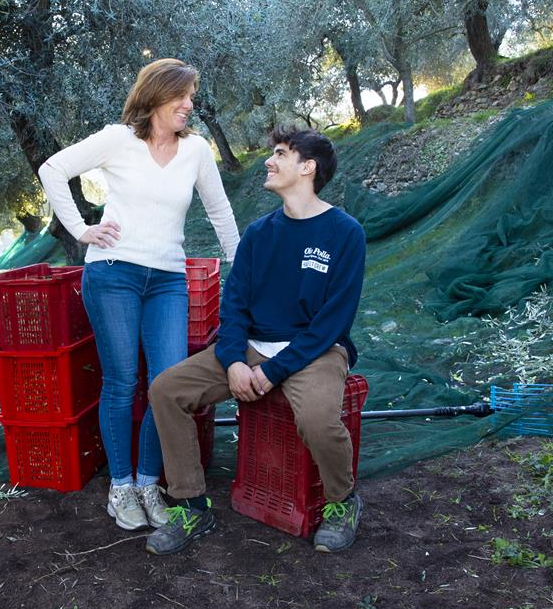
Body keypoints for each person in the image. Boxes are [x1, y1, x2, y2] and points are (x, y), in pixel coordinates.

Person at [38, 59, 240, 531]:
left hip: (168, 280)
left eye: (192, 96)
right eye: (182, 96)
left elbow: (221, 213)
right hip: (113, 273)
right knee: (122, 380)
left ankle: (149, 484)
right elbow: (53, 169)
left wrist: (246, 273)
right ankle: (121, 488)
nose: (189, 105)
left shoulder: (197, 152)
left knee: (165, 384)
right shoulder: (118, 139)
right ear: (156, 96)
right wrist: (81, 229)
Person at [145, 127, 366, 555]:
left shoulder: (345, 233)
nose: (269, 161)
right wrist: (233, 362)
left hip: (315, 351)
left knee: (318, 421)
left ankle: (344, 501)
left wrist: (273, 371)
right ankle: (192, 505)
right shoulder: (259, 234)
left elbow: (331, 323)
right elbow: (234, 309)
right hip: (251, 347)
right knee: (166, 390)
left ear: (308, 168)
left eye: (281, 154)